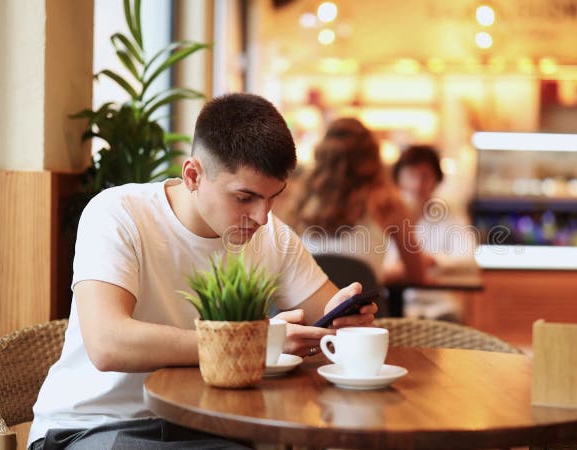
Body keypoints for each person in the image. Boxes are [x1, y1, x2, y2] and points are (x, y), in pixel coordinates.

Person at [28, 94, 377, 449]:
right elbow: (108, 344)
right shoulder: (118, 214)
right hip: (94, 426)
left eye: (273, 197)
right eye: (244, 198)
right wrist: (254, 344)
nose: (261, 216)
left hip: (210, 426)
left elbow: (326, 313)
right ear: (193, 175)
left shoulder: (272, 236)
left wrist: (344, 317)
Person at [292, 117, 426, 286]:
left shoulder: (304, 201)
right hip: (366, 310)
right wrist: (377, 274)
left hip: (309, 311)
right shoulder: (388, 203)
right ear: (373, 158)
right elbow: (416, 275)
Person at [385, 145, 478, 321]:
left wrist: (432, 261)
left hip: (439, 307)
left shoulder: (449, 213)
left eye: (425, 176)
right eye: (411, 176)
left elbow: (468, 258)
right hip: (391, 305)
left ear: (437, 180)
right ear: (398, 178)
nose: (418, 184)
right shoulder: (387, 213)